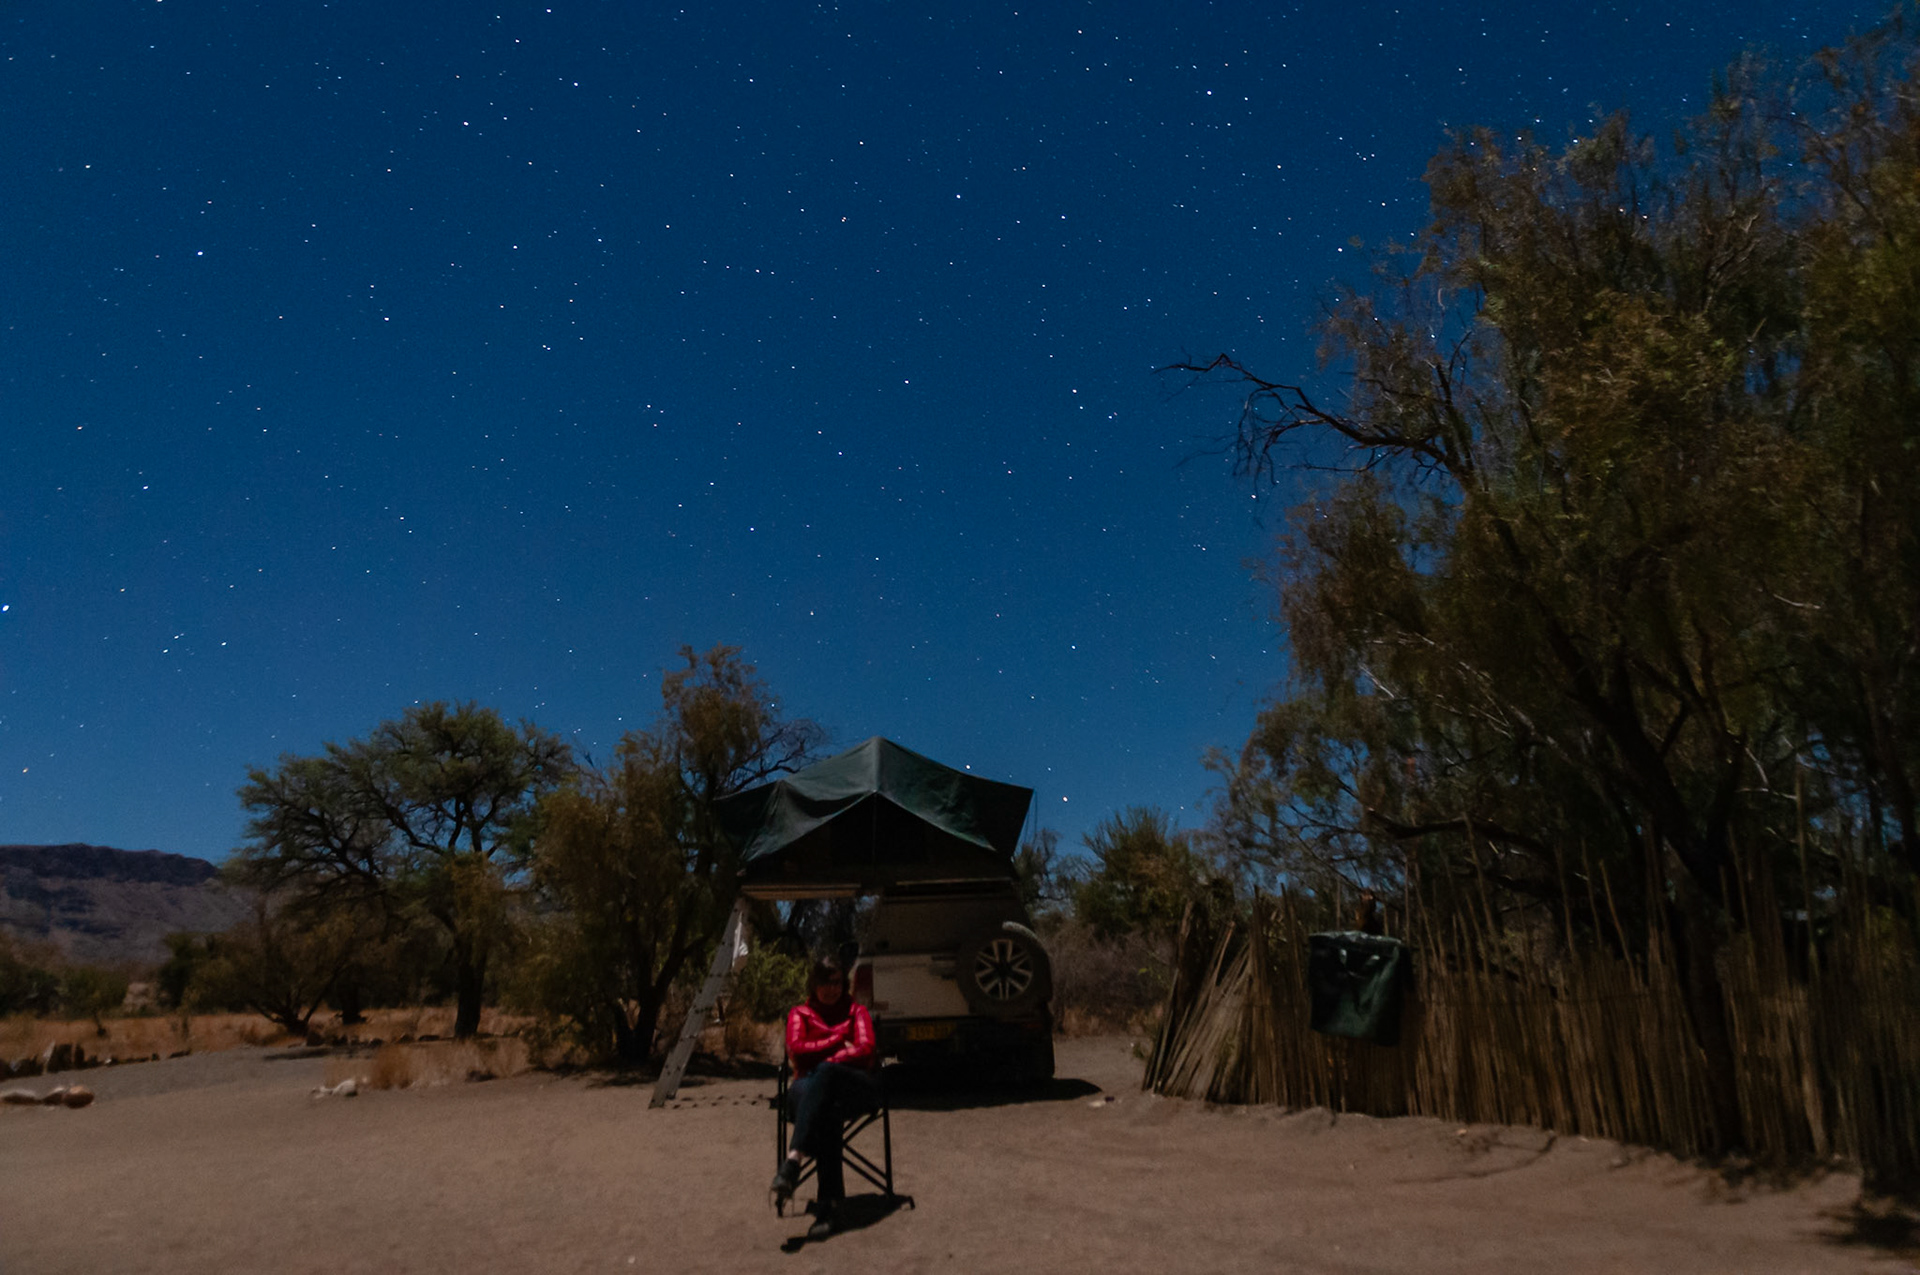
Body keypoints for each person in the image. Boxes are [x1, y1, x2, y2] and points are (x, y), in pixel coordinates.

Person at [770, 955, 877, 1235]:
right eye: (825, 983)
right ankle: (827, 1207)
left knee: (828, 1073)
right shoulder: (799, 1014)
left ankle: (793, 1161)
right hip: (809, 1089)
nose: (831, 989)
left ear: (844, 984)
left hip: (854, 1088)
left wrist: (827, 1060)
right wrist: (839, 1042)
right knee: (825, 1108)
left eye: (837, 983)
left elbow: (866, 1050)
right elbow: (796, 1049)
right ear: (813, 984)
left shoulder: (857, 1012)